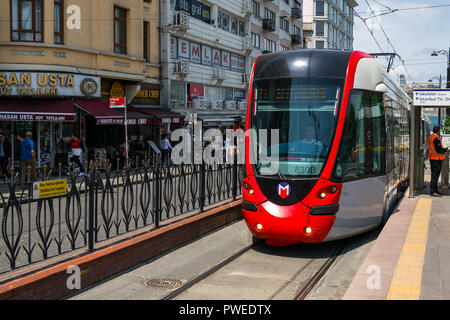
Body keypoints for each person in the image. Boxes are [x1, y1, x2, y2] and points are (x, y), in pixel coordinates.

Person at [428, 125, 448, 197]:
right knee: (435, 176)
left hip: (432, 158)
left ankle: (435, 190)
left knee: (433, 175)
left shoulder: (430, 137)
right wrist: (445, 149)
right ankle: (433, 191)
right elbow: (438, 149)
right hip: (436, 159)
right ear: (438, 131)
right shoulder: (436, 138)